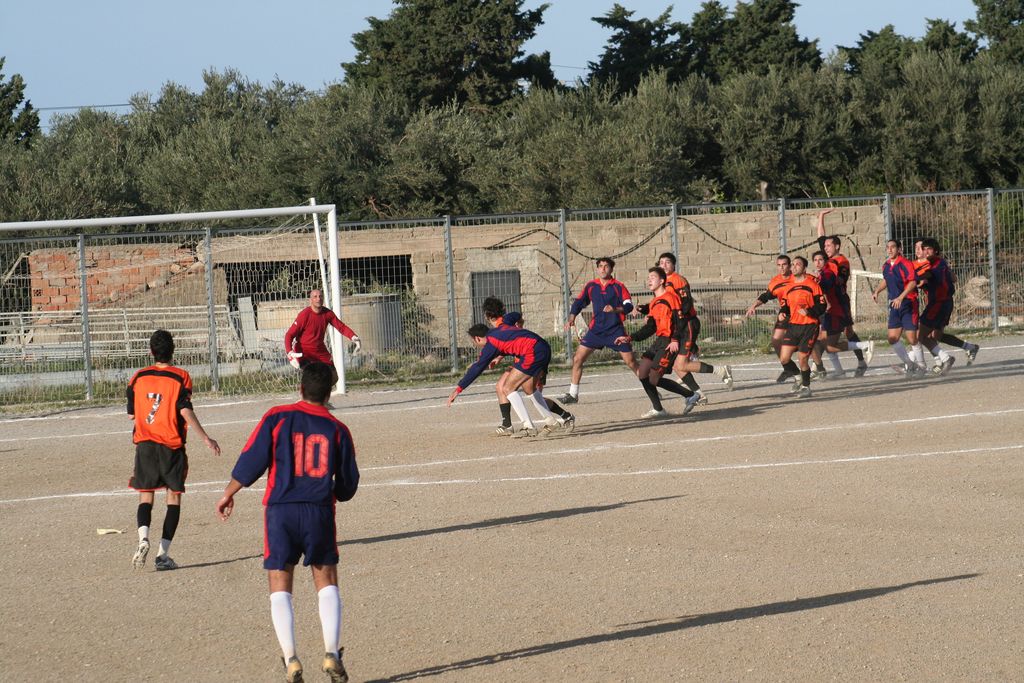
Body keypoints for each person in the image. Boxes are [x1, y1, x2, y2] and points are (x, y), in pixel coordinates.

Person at [215, 362, 359, 683]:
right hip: (318, 511)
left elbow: (252, 460)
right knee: (326, 578)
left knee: (280, 582)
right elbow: (348, 486)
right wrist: (335, 491)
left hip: (280, 511)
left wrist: (229, 492)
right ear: (329, 394)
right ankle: (331, 653)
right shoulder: (338, 429)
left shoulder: (277, 417)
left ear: (300, 388)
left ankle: (291, 658)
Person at [127, 329, 221, 572]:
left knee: (146, 495)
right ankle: (162, 555)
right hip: (171, 446)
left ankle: (143, 538)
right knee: (173, 497)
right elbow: (184, 410)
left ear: (151, 352)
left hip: (145, 445)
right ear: (173, 351)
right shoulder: (181, 377)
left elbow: (131, 414)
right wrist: (206, 438)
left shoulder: (138, 377)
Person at [615, 267, 701, 418]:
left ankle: (690, 395)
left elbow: (680, 321)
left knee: (653, 378)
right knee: (642, 373)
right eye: (648, 278)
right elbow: (650, 327)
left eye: (653, 277)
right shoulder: (654, 302)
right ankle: (658, 409)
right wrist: (630, 337)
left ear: (661, 281)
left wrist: (675, 339)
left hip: (670, 341)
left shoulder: (671, 297)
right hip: (660, 341)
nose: (649, 280)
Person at [482, 297, 574, 436]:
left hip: (532, 357)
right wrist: (499, 357)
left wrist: (519, 326)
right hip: (521, 359)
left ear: (487, 316)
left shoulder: (507, 321)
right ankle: (507, 425)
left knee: (531, 392)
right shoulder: (502, 325)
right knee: (501, 386)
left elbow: (516, 325)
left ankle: (564, 416)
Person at [448, 322, 558, 438]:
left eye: (473, 342)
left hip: (532, 351)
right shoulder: (499, 329)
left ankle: (528, 427)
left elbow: (478, 367)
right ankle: (551, 422)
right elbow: (512, 322)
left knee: (508, 388)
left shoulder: (490, 344)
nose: (475, 345)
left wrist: (459, 388)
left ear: (477, 338)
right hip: (543, 347)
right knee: (529, 389)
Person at [656, 253, 733, 401]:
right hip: (677, 327)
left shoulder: (678, 280)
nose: (664, 265)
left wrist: (677, 319)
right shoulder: (661, 284)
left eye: (667, 262)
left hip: (687, 324)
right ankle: (700, 394)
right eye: (661, 262)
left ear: (673, 265)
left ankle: (720, 371)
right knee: (677, 366)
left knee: (681, 364)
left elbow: (686, 304)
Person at [560, 257, 637, 404]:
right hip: (596, 331)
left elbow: (628, 306)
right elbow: (579, 302)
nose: (603, 269)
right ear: (597, 269)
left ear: (611, 269)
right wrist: (572, 317)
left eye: (606, 266)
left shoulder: (619, 286)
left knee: (631, 362)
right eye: (600, 266)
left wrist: (615, 309)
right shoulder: (591, 286)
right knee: (577, 359)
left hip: (615, 331)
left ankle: (651, 389)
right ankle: (573, 395)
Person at [816, 209, 871, 377]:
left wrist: (821, 282)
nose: (825, 248)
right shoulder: (828, 259)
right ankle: (824, 367)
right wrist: (821, 216)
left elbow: (839, 280)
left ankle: (860, 358)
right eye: (825, 246)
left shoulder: (842, 262)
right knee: (828, 336)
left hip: (839, 302)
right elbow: (821, 236)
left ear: (837, 246)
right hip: (831, 302)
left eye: (828, 246)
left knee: (842, 334)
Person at [914, 238, 980, 370]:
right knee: (935, 336)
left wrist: (915, 279)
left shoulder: (935, 264)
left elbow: (927, 276)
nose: (922, 251)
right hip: (941, 303)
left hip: (938, 303)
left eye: (927, 249)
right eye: (920, 248)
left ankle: (916, 364)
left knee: (919, 335)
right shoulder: (927, 263)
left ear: (935, 251)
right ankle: (968, 348)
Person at [812, 250, 874, 379]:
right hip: (831, 311)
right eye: (815, 260)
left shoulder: (828, 273)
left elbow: (825, 286)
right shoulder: (823, 274)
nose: (817, 263)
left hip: (835, 311)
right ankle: (838, 371)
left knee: (829, 346)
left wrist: (813, 285)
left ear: (826, 261)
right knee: (823, 340)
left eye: (820, 260)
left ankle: (865, 346)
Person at [284, 289, 361, 390]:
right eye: (315, 297)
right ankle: (309, 396)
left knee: (333, 377)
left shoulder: (327, 313)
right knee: (313, 377)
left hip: (320, 350)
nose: (318, 299)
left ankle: (318, 394)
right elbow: (289, 335)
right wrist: (290, 353)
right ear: (310, 300)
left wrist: (353, 336)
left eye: (320, 296)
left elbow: (341, 327)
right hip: (304, 352)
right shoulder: (304, 315)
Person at [872, 239, 927, 377]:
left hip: (908, 303)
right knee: (892, 338)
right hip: (894, 304)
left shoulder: (905, 263)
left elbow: (913, 282)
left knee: (912, 339)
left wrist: (901, 297)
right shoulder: (886, 266)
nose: (890, 250)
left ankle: (922, 366)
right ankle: (910, 364)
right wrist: (877, 291)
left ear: (899, 249)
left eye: (893, 247)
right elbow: (886, 279)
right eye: (887, 247)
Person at [776, 256, 827, 398]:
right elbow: (785, 306)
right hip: (793, 326)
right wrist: (782, 313)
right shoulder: (789, 286)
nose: (794, 267)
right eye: (792, 264)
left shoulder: (812, 285)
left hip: (809, 326)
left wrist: (809, 311)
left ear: (804, 268)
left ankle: (806, 387)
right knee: (784, 359)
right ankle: (799, 377)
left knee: (802, 357)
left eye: (797, 264)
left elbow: (822, 305)